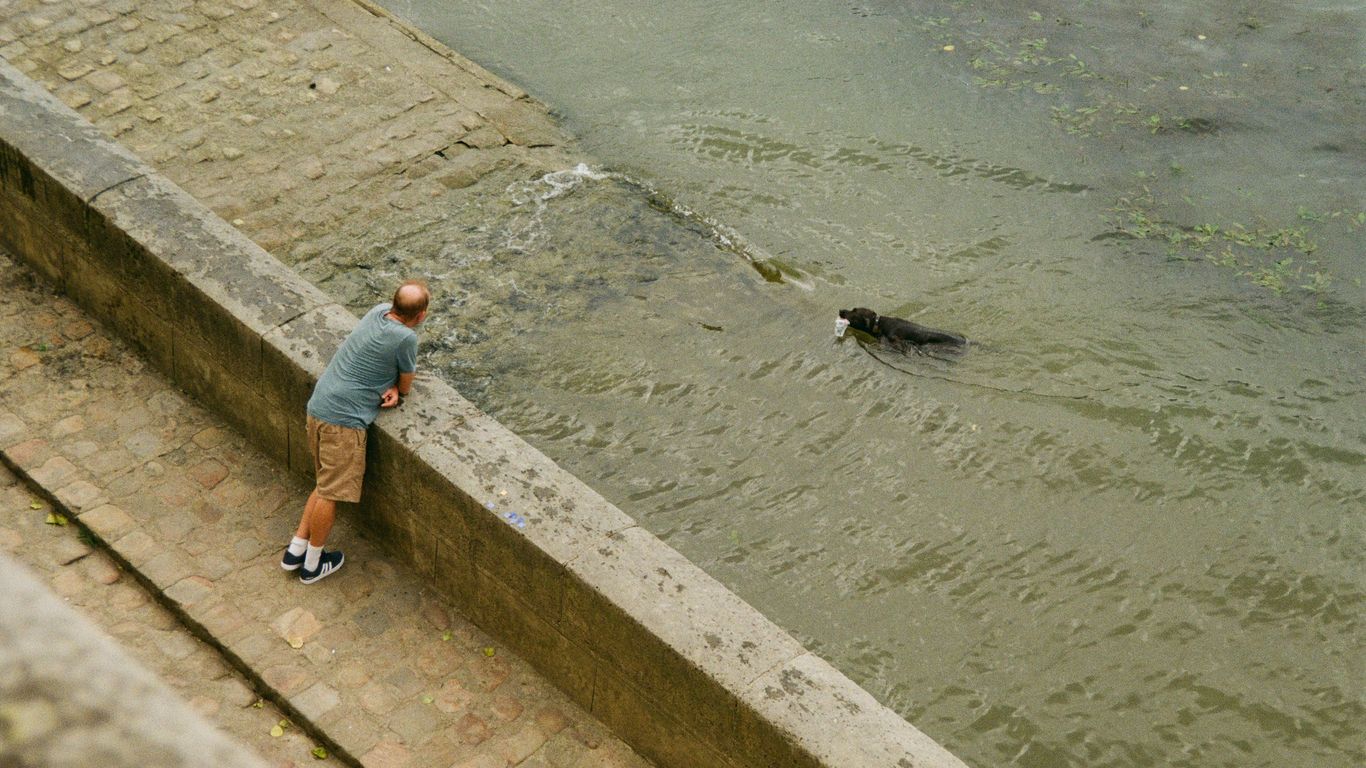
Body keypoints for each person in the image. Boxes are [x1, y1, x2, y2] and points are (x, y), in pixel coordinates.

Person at [280, 280, 430, 583]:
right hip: (343, 421)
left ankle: (296, 549)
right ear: (421, 316)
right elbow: (407, 378)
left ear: (393, 303)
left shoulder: (376, 312)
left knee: (324, 483)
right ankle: (313, 564)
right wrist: (398, 391)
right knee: (331, 493)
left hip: (320, 405)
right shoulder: (406, 338)